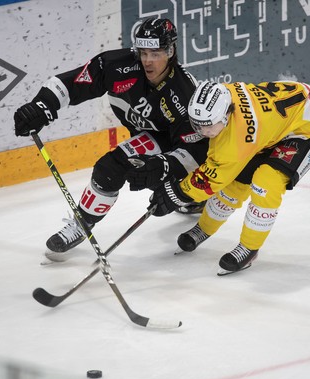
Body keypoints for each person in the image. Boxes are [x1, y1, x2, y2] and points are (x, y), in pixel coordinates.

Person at [13, 17, 208, 261]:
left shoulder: (184, 93)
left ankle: (194, 195)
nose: (147, 61)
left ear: (170, 51)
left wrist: (165, 168)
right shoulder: (118, 65)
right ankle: (81, 225)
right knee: (111, 169)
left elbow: (198, 150)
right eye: (143, 52)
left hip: (173, 144)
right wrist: (41, 106)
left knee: (129, 170)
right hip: (147, 136)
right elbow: (72, 83)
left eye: (155, 53)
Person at [146, 80, 310, 275]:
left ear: (227, 115)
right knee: (235, 184)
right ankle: (204, 228)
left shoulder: (236, 140)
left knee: (266, 183)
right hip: (270, 129)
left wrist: (175, 194)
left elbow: (209, 180)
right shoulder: (223, 98)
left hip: (304, 133)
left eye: (209, 126)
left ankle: (249, 248)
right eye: (198, 125)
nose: (203, 132)